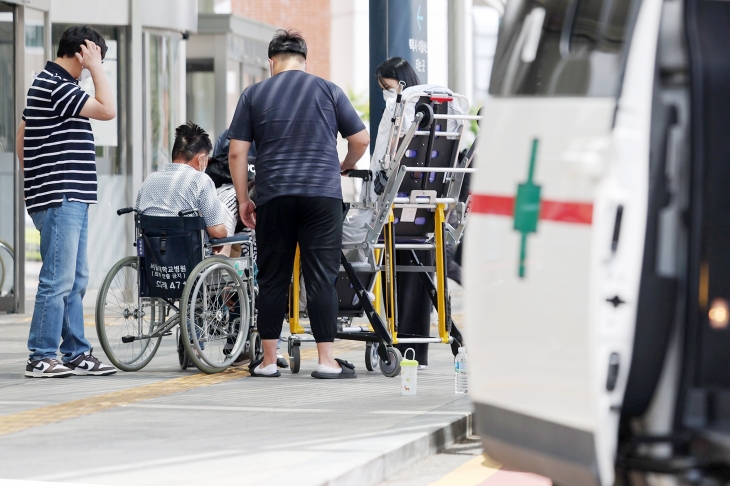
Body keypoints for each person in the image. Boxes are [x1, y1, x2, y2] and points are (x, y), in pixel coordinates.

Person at [228, 29, 370, 379]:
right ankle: (325, 361)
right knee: (321, 278)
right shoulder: (329, 90)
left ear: (271, 61)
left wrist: (244, 199)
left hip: (274, 194)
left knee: (272, 277)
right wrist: (344, 165)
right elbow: (361, 138)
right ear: (305, 61)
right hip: (322, 196)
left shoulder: (254, 94)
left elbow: (235, 152)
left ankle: (266, 361)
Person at [343, 57, 466, 369]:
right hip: (429, 212)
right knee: (421, 270)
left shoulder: (400, 108)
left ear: (400, 81)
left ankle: (397, 339)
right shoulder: (447, 113)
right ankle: (418, 352)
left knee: (368, 251)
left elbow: (387, 158)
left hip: (395, 209)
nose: (386, 92)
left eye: (386, 86)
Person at [17, 26, 117, 378]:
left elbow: (22, 136)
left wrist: (34, 181)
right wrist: (97, 68)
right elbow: (108, 109)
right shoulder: (56, 85)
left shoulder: (52, 84)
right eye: (95, 57)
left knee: (74, 280)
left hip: (65, 194)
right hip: (60, 195)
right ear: (82, 52)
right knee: (57, 280)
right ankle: (41, 355)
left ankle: (75, 352)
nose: (97, 65)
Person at [135, 122, 227, 246]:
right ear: (201, 159)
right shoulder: (201, 181)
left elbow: (139, 218)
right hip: (190, 260)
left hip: (154, 259)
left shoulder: (149, 180)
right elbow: (217, 232)